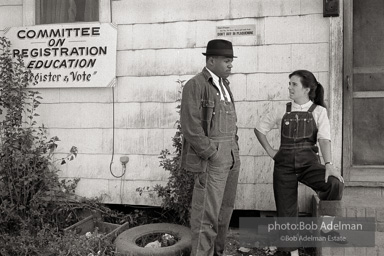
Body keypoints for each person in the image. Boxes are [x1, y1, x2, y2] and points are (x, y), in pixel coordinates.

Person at [254, 70, 344, 256]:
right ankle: (292, 252)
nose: (289, 87)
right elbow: (259, 129)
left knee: (334, 183)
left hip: (308, 165)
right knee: (286, 212)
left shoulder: (319, 111)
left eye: (294, 84)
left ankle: (328, 228)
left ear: (307, 89)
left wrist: (329, 164)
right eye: (289, 83)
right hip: (284, 167)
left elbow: (324, 139)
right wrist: (271, 151)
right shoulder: (282, 109)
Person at [180, 39, 240, 256]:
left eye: (231, 60)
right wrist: (211, 154)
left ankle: (218, 253)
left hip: (231, 155)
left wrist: (234, 149)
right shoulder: (195, 85)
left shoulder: (224, 85)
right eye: (226, 60)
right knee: (206, 215)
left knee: (225, 212)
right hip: (213, 159)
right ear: (211, 60)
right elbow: (190, 126)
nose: (230, 65)